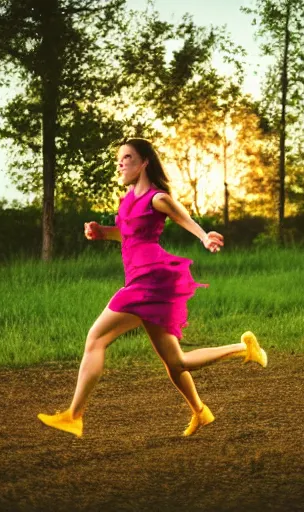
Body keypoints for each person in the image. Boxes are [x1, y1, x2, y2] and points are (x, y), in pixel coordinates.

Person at [38, 138, 267, 438]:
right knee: (176, 362)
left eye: (127, 157)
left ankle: (73, 415)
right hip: (141, 278)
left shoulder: (157, 198)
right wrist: (101, 232)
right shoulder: (128, 199)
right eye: (119, 158)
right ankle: (215, 390)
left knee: (95, 339)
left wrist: (203, 236)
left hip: (151, 280)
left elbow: (182, 216)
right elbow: (128, 236)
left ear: (145, 162)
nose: (120, 163)